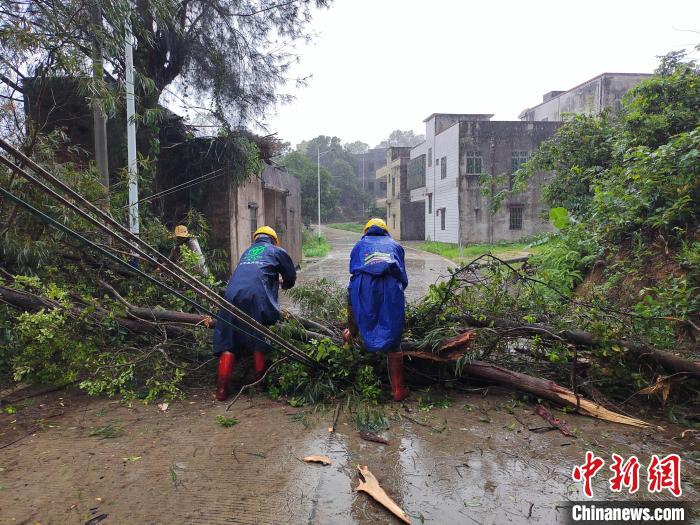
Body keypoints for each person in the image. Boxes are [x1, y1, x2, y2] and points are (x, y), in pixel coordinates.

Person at [212, 226, 296, 401]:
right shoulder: (275, 250)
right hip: (255, 296)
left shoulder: (247, 252)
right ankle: (260, 382)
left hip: (230, 295)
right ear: (273, 239)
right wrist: (285, 284)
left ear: (256, 239)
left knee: (229, 340)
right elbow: (290, 276)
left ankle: (221, 390)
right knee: (258, 336)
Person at [344, 218, 409, 401]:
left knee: (354, 302)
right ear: (385, 231)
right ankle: (398, 390)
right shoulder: (396, 246)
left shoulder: (358, 246)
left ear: (366, 232)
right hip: (390, 286)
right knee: (394, 337)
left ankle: (353, 333)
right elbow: (403, 279)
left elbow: (354, 271)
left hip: (363, 286)